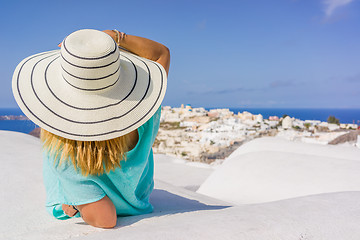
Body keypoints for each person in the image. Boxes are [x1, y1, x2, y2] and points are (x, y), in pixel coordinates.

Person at [12, 29, 170, 228]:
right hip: (138, 201)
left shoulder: (66, 152)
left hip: (79, 195)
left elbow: (105, 219)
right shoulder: (147, 111)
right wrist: (112, 37)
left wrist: (76, 204)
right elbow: (161, 53)